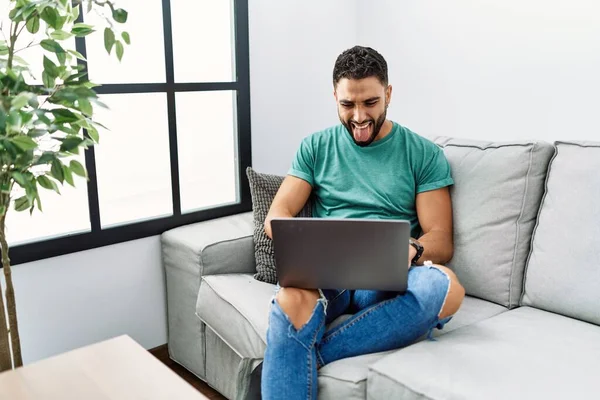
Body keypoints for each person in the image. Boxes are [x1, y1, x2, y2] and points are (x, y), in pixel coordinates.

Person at [261, 45, 465, 399]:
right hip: (330, 274)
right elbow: (276, 218)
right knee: (290, 298)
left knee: (444, 287)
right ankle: (302, 348)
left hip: (385, 278)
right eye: (347, 105)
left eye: (370, 103)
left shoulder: (423, 154)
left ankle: (310, 352)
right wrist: (306, 243)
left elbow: (442, 239)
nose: (358, 116)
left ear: (388, 93)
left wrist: (412, 249)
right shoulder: (315, 147)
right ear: (335, 98)